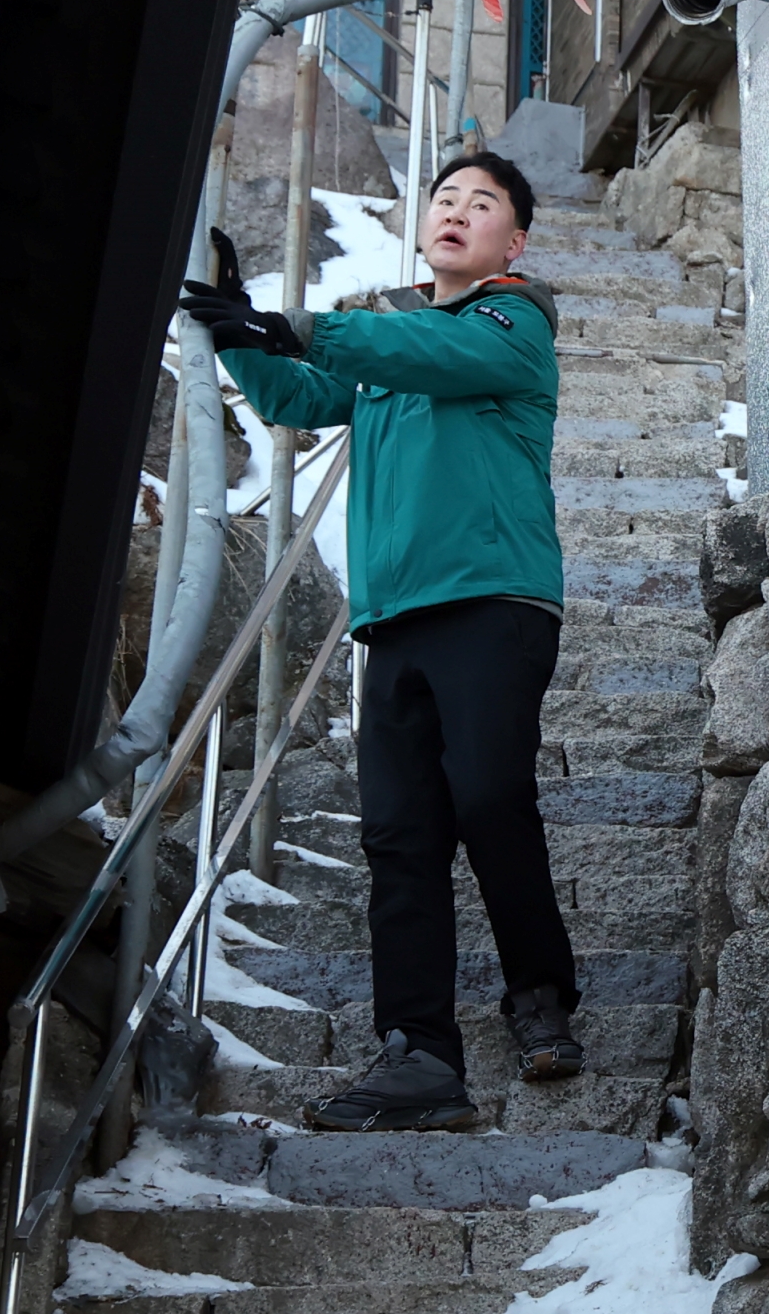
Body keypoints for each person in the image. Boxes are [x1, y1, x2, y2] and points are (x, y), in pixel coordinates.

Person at [178, 152, 577, 1132]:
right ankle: (419, 1053)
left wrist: (302, 324)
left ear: (511, 241)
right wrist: (237, 323)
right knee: (399, 839)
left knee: (486, 795)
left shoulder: (510, 321)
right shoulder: (386, 345)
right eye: (443, 198)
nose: (456, 211)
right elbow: (291, 396)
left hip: (493, 600)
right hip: (393, 618)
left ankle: (539, 992)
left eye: (481, 203)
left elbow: (430, 357)